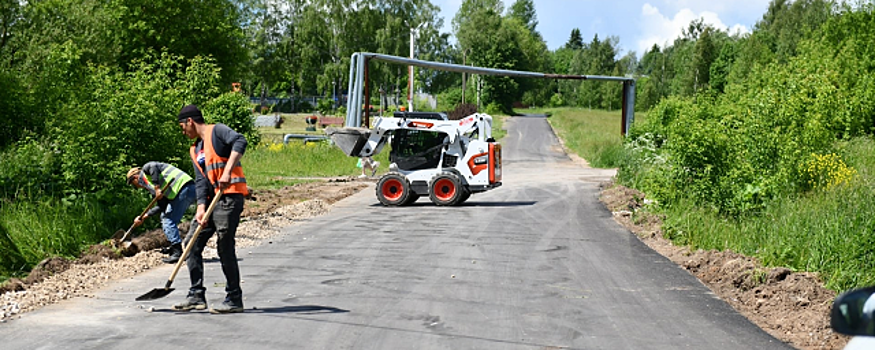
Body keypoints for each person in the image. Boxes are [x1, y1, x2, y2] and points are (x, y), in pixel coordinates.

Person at [173, 104, 248, 314]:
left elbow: (240, 140)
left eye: (182, 127)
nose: (183, 132)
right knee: (191, 244)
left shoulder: (217, 131)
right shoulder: (195, 149)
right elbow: (200, 181)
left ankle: (234, 298)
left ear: (190, 121)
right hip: (211, 201)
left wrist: (227, 170)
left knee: (224, 247)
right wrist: (200, 208)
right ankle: (196, 295)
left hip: (229, 198)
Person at [126, 162, 196, 264]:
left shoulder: (146, 171)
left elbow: (153, 166)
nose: (136, 187)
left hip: (183, 187)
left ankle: (177, 252)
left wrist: (157, 188)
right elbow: (162, 205)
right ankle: (174, 247)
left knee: (168, 220)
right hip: (183, 191)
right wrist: (144, 216)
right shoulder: (150, 187)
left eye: (133, 184)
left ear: (135, 178)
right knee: (165, 217)